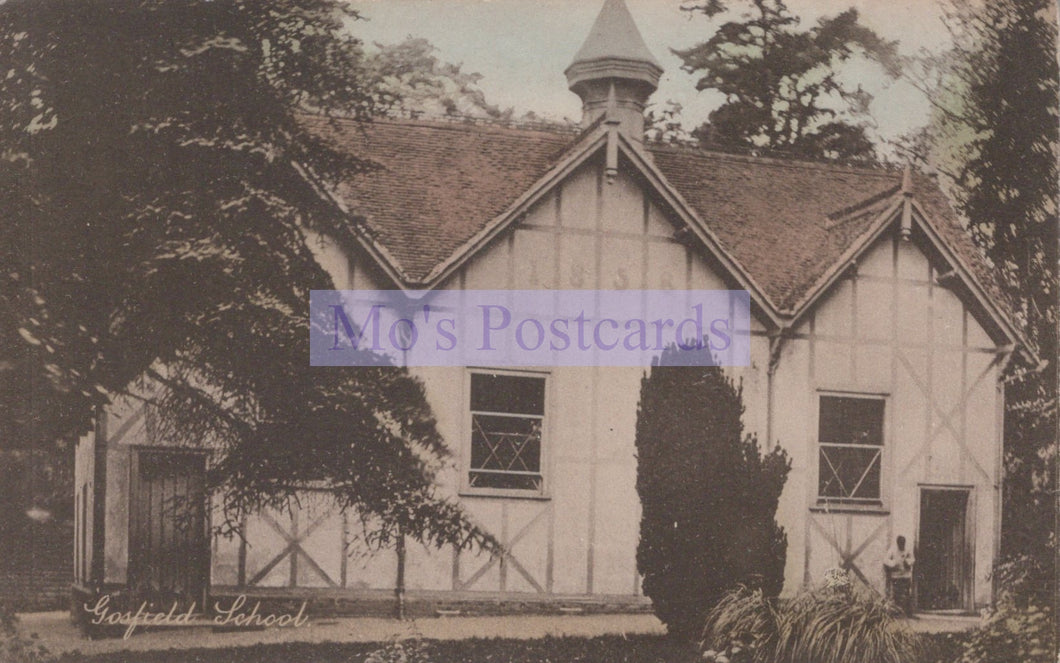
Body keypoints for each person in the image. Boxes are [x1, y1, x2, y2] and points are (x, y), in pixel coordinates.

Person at [884, 535, 915, 616]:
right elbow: (886, 560)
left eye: (903, 544)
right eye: (900, 544)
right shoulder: (893, 550)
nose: (902, 545)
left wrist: (908, 562)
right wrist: (893, 563)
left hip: (906, 575)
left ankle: (908, 612)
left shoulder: (907, 550)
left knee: (907, 593)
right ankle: (896, 612)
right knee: (896, 594)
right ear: (897, 543)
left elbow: (912, 559)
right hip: (896, 576)